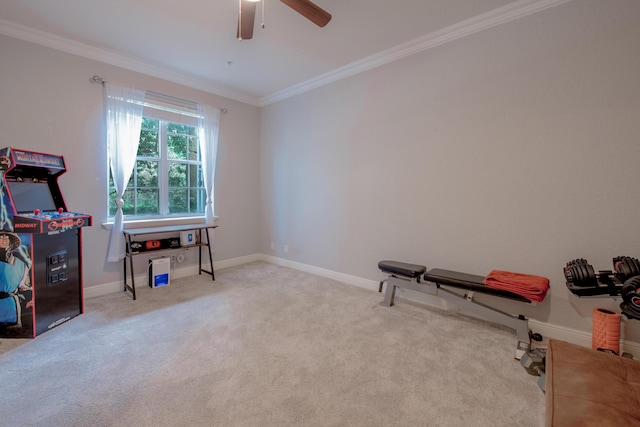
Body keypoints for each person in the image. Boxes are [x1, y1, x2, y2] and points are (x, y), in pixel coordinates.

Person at [0, 231, 32, 329]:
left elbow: (23, 287)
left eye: (7, 237)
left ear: (11, 242)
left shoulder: (21, 265)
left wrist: (32, 297)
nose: (4, 239)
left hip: (11, 309)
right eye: (1, 236)